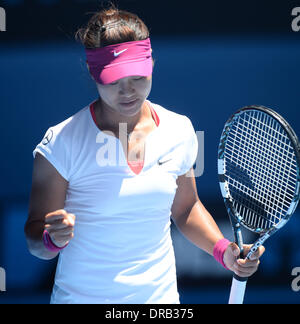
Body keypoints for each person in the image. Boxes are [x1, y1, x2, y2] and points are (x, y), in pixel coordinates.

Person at [24, 7, 265, 304]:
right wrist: (51, 238)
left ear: (151, 62)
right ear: (92, 73)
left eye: (137, 77)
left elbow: (186, 208)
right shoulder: (59, 142)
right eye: (113, 81)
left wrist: (223, 251)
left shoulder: (180, 130)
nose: (127, 91)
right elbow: (35, 239)